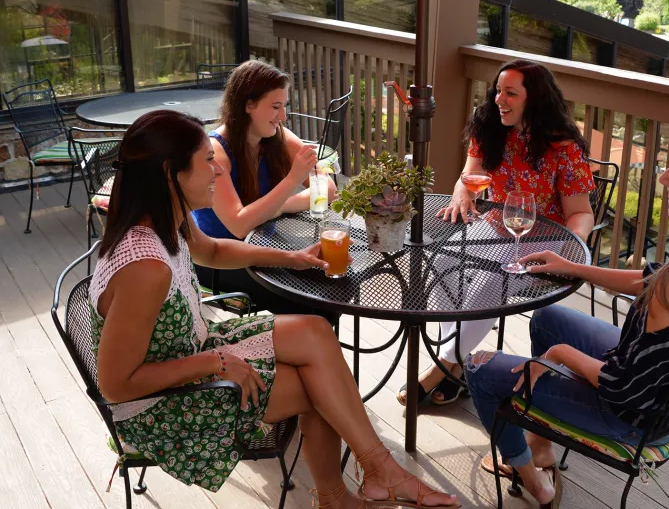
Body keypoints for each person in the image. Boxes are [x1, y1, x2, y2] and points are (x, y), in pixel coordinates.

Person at [90, 109, 459, 508]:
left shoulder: (167, 219)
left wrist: (293, 258)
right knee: (321, 388)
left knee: (316, 331)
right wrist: (214, 362)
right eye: (207, 160)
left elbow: (211, 249)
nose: (218, 171)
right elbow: (116, 385)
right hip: (164, 405)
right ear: (170, 174)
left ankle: (372, 475)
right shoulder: (145, 268)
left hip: (193, 351)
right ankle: (354, 490)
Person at [463, 118, 669, 506]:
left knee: (479, 367)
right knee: (549, 319)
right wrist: (573, 267)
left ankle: (533, 479)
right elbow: (649, 280)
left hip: (630, 414)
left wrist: (557, 356)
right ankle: (542, 446)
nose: (664, 179)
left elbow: (621, 385)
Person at [397, 59, 595, 408]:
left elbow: (580, 213)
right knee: (441, 261)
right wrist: (462, 195)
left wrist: (571, 250)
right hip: (492, 224)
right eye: (498, 90)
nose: (499, 99)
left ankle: (443, 365)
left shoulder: (563, 149)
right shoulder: (489, 127)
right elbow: (467, 177)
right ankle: (457, 367)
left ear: (534, 99)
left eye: (510, 93)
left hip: (541, 237)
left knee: (491, 281)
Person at [191, 60, 336, 317]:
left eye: (284, 107)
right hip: (222, 261)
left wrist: (278, 208)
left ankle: (306, 353)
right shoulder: (217, 152)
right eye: (275, 107)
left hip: (266, 246)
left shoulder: (277, 136)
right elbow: (238, 225)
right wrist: (291, 181)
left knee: (331, 284)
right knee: (311, 303)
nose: (283, 117)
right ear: (248, 105)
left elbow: (327, 190)